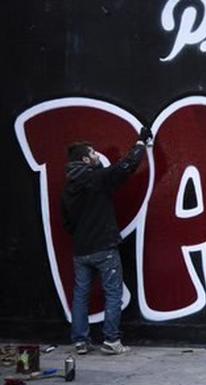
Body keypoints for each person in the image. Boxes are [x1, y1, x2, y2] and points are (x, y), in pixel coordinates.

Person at [61, 127, 153, 355]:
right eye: (93, 153)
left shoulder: (68, 189)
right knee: (113, 293)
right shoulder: (97, 179)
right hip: (104, 248)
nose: (97, 155)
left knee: (81, 294)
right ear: (85, 159)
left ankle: (80, 341)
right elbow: (126, 167)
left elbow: (67, 224)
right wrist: (141, 143)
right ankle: (111, 340)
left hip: (81, 250)